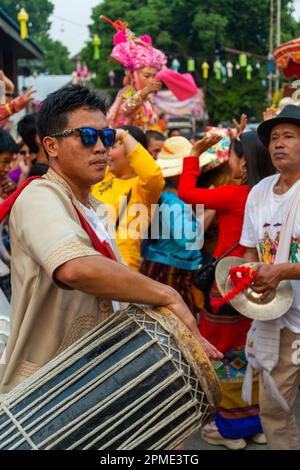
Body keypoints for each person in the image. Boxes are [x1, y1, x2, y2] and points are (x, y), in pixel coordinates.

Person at [0, 85, 222, 394]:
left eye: (106, 137)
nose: (101, 147)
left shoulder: (95, 208)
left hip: (93, 382)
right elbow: (76, 268)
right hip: (47, 393)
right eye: (88, 137)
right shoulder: (38, 196)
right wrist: (168, 295)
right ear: (50, 146)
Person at [179, 130, 275, 449]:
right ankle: (254, 424)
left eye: (233, 155)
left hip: (228, 286)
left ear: (244, 162)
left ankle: (229, 428)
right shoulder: (274, 193)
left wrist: (193, 152)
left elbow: (187, 193)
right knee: (254, 353)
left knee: (221, 354)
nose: (229, 161)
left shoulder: (236, 194)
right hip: (262, 287)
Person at [240, 104, 300, 450]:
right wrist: (249, 283)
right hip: (279, 319)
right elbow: (250, 251)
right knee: (275, 407)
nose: (278, 144)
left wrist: (282, 270)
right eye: (274, 138)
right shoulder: (259, 191)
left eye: (289, 136)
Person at [140, 136, 209, 316]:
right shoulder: (173, 203)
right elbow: (187, 239)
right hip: (169, 271)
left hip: (160, 264)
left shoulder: (165, 196)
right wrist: (210, 212)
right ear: (181, 173)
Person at [92, 125, 164, 271]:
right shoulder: (105, 177)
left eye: (113, 146)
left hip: (121, 268)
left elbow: (152, 175)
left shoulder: (143, 189)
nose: (107, 152)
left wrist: (123, 135)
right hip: (91, 262)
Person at [102, 17, 167, 132]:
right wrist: (144, 92)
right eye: (147, 76)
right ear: (133, 76)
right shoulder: (128, 92)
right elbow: (126, 110)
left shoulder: (148, 97)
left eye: (154, 76)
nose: (151, 80)